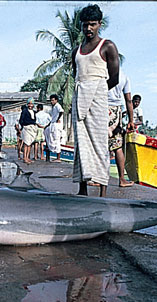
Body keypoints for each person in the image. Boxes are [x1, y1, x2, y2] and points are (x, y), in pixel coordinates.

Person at [71, 4, 120, 197]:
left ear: (99, 24)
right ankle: (82, 189)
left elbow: (114, 78)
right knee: (81, 143)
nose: (88, 29)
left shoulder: (107, 46)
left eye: (92, 24)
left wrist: (97, 92)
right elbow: (77, 75)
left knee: (100, 143)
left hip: (98, 98)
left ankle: (102, 191)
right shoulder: (76, 50)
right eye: (85, 25)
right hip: (79, 97)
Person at [107, 69, 135, 187]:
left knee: (100, 145)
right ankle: (122, 179)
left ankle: (98, 179)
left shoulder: (103, 73)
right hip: (116, 111)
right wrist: (131, 120)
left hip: (101, 108)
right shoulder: (124, 76)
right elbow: (128, 100)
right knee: (117, 146)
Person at [44, 94, 64, 162]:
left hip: (56, 125)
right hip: (53, 124)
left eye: (53, 100)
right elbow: (53, 118)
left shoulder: (58, 106)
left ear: (56, 100)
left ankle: (58, 158)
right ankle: (52, 154)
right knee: (50, 138)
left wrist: (58, 119)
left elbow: (61, 111)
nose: (52, 101)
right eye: (51, 100)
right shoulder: (53, 107)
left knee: (56, 140)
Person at [20, 98, 38, 164]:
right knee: (26, 143)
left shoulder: (34, 112)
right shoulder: (24, 111)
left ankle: (27, 157)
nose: (30, 105)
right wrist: (24, 126)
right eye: (29, 104)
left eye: (31, 104)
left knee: (29, 144)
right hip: (26, 128)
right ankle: (25, 158)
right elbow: (21, 120)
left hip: (32, 129)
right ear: (27, 104)